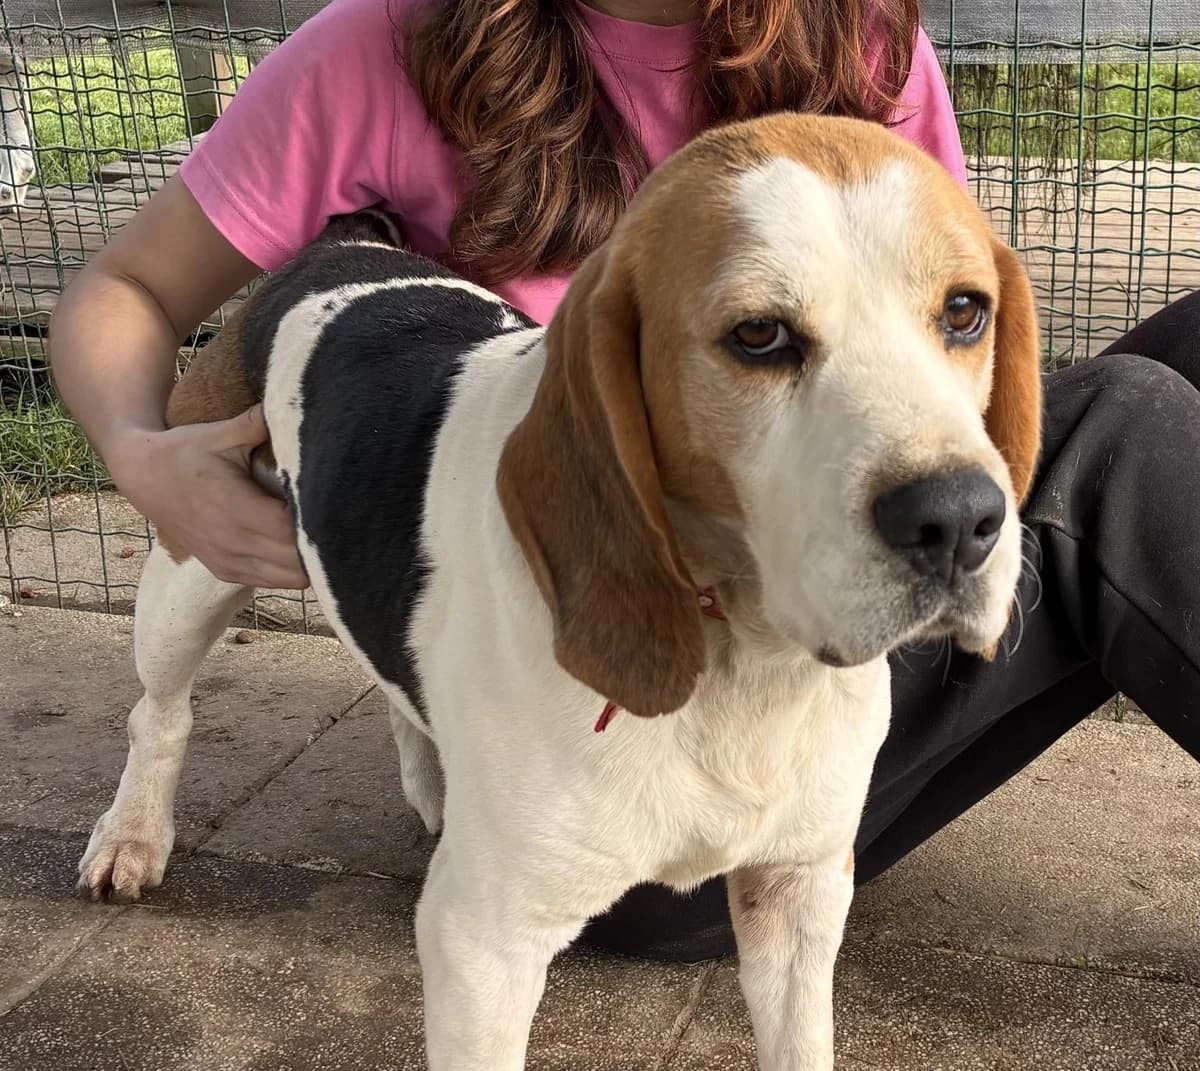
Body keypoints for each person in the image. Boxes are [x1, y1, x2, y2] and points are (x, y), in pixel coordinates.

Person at [51, 0, 1200, 961]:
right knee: (1129, 439)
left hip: (833, 649)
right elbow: (128, 290)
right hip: (614, 770)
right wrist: (143, 458)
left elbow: (930, 372)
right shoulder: (383, 42)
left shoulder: (859, 37)